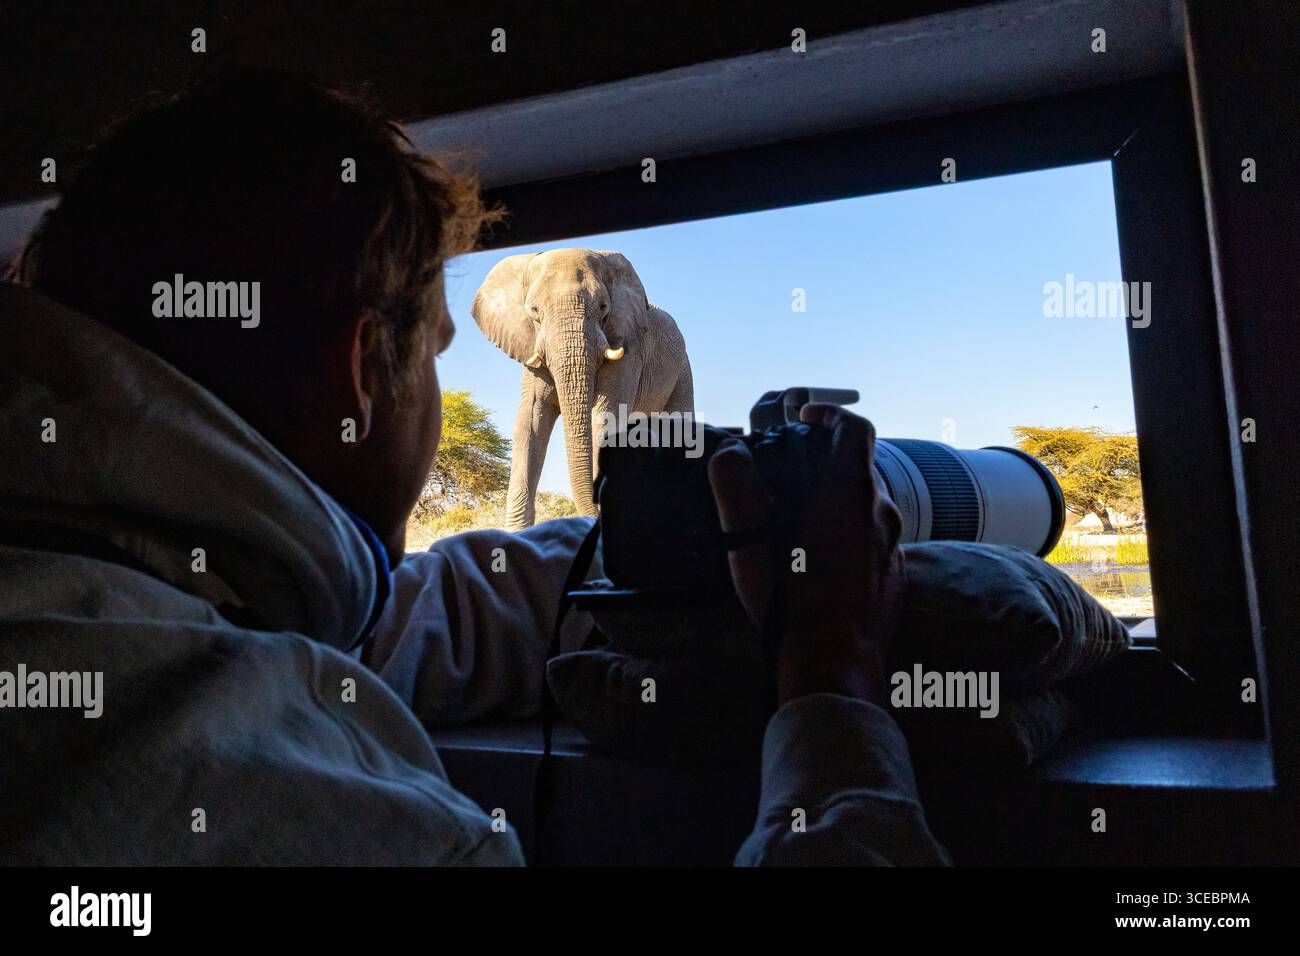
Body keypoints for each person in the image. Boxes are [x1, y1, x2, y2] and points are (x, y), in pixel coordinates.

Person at [0, 71, 948, 866]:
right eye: (435, 352)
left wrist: (665, 536)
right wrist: (835, 682)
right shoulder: (332, 815)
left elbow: (400, 620)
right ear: (358, 370)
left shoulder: (110, 585)